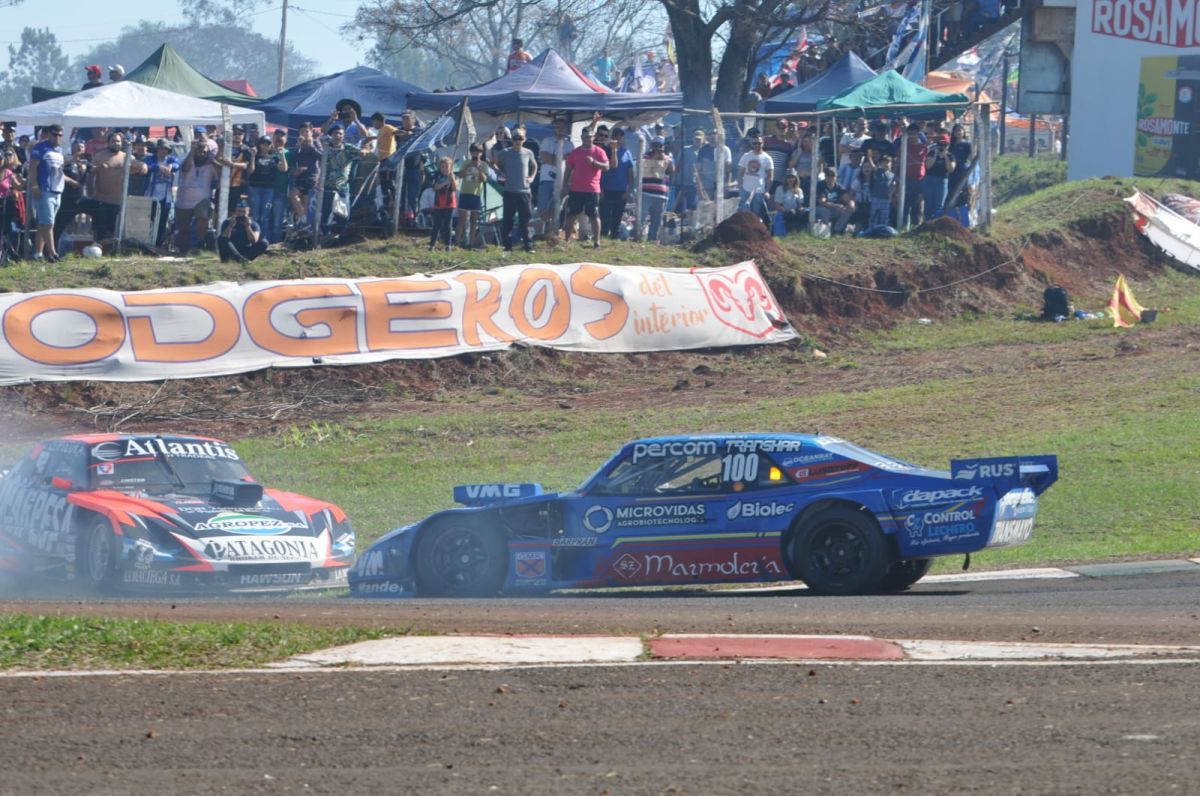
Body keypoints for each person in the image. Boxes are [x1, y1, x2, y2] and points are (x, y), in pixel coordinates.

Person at [88, 131, 147, 241]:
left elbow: (140, 164)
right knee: (99, 230)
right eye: (114, 141)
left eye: (118, 141)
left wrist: (143, 166)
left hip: (117, 201)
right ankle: (97, 247)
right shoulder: (100, 156)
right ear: (108, 142)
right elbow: (91, 172)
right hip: (101, 199)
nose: (116, 144)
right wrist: (99, 168)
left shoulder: (126, 157)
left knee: (113, 230)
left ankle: (112, 250)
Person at [30, 125, 72, 261]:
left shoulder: (59, 151)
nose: (58, 138)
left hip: (57, 191)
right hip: (44, 190)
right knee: (48, 224)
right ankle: (53, 253)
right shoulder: (39, 148)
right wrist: (35, 186)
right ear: (48, 134)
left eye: (60, 135)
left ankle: (38, 253)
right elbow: (32, 167)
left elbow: (59, 172)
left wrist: (73, 182)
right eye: (55, 134)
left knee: (43, 224)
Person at [561, 127, 608, 248]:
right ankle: (567, 240)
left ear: (594, 138)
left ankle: (597, 242)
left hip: (592, 189)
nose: (588, 139)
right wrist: (565, 184)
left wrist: (594, 163)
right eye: (586, 137)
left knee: (594, 215)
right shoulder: (575, 152)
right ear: (582, 138)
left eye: (590, 137)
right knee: (571, 215)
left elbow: (607, 167)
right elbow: (568, 168)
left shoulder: (599, 151)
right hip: (576, 189)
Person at [493, 125, 537, 253]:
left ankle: (528, 246)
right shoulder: (505, 152)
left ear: (524, 139)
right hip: (510, 191)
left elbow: (534, 166)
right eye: (515, 138)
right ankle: (507, 246)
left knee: (526, 220)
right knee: (508, 220)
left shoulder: (528, 152)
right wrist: (500, 173)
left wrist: (532, 177)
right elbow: (492, 162)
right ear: (512, 139)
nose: (518, 141)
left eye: (520, 138)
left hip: (524, 191)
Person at [175, 138, 219, 253]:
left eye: (204, 152)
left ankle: (200, 244)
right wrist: (192, 151)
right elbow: (185, 168)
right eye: (200, 152)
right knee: (183, 228)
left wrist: (213, 159)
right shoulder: (188, 160)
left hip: (202, 200)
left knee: (203, 218)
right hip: (184, 200)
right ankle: (182, 250)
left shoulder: (211, 165)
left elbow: (221, 175)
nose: (202, 154)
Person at [320, 123, 361, 232]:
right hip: (328, 186)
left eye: (340, 133)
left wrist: (365, 150)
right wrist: (332, 119)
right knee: (326, 213)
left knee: (343, 214)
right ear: (331, 135)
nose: (337, 136)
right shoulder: (325, 148)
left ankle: (340, 237)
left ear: (343, 136)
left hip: (343, 186)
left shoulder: (348, 148)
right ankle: (324, 237)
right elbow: (321, 134)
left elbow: (362, 153)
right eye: (335, 133)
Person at [247, 135, 286, 241]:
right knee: (255, 215)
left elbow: (283, 169)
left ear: (270, 145)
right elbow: (250, 171)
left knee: (265, 215)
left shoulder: (274, 157)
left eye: (267, 144)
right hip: (255, 187)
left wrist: (282, 155)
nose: (265, 146)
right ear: (259, 144)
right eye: (263, 143)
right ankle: (254, 238)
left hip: (269, 189)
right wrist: (253, 157)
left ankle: (263, 239)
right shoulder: (256, 156)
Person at [597, 126, 633, 239]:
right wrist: (600, 189)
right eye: (615, 135)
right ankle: (603, 235)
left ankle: (613, 236)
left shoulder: (627, 152)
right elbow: (598, 171)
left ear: (622, 138)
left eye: (619, 135)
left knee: (617, 216)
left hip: (621, 190)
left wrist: (629, 190)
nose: (617, 137)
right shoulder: (604, 150)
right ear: (611, 136)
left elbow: (631, 174)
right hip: (606, 188)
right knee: (605, 215)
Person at [143, 139, 179, 247]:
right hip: (151, 195)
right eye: (161, 148)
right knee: (150, 221)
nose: (163, 151)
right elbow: (148, 166)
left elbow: (177, 165)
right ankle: (147, 242)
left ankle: (158, 244)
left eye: (165, 149)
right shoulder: (150, 159)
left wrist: (171, 167)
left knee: (162, 222)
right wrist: (159, 167)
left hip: (165, 197)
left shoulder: (170, 160)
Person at [456, 143, 492, 248]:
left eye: (478, 152)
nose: (476, 154)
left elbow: (484, 179)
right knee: (462, 218)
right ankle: (457, 242)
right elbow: (461, 176)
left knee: (473, 219)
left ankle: (471, 243)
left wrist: (478, 168)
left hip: (475, 194)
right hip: (464, 192)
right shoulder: (466, 162)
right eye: (474, 152)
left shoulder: (484, 165)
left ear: (481, 153)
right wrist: (469, 166)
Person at [538, 117, 574, 221]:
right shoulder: (547, 141)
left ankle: (552, 231)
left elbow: (571, 162)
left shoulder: (570, 144)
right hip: (547, 179)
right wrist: (562, 159)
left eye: (562, 127)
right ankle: (541, 230)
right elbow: (544, 157)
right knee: (544, 205)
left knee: (557, 208)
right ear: (554, 128)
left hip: (563, 180)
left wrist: (554, 159)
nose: (560, 129)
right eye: (557, 127)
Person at [640, 136, 673, 243]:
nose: (657, 148)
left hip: (661, 193)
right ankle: (639, 237)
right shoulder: (645, 156)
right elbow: (645, 168)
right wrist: (654, 157)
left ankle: (652, 239)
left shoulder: (667, 158)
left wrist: (664, 158)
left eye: (659, 146)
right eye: (655, 145)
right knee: (642, 217)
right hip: (646, 192)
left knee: (657, 220)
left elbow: (672, 171)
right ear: (651, 146)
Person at [288, 122, 321, 229]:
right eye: (302, 131)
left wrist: (311, 145)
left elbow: (321, 156)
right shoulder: (299, 144)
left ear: (311, 132)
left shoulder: (315, 143)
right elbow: (294, 159)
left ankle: (303, 218)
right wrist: (298, 146)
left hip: (311, 176)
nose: (304, 134)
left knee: (293, 194)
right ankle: (305, 225)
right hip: (300, 176)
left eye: (307, 131)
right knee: (304, 202)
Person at [671, 129, 705, 228]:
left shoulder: (703, 152)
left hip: (694, 185)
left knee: (692, 207)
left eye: (699, 139)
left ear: (703, 140)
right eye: (696, 139)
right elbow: (678, 165)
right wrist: (674, 178)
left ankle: (690, 227)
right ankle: (674, 226)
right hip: (681, 182)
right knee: (678, 207)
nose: (697, 141)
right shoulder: (685, 150)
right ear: (692, 139)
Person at [217, 198, 269, 263]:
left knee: (264, 242)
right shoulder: (227, 222)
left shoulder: (253, 224)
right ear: (235, 212)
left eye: (244, 212)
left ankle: (242, 260)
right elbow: (224, 238)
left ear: (248, 212)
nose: (241, 214)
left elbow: (254, 241)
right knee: (221, 238)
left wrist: (248, 226)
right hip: (230, 251)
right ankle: (240, 260)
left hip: (245, 252)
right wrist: (231, 226)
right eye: (239, 211)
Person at [737, 130, 773, 220]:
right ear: (752, 144)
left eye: (759, 143)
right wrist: (740, 187)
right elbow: (740, 173)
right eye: (755, 143)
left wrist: (767, 191)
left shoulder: (767, 158)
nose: (757, 145)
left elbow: (770, 177)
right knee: (744, 215)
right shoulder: (746, 156)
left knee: (755, 215)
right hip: (745, 189)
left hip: (759, 191)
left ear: (763, 143)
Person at [370, 112, 398, 221]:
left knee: (388, 183)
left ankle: (391, 202)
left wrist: (407, 133)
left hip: (388, 160)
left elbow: (396, 132)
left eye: (373, 122)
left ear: (378, 121)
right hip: (382, 160)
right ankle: (385, 206)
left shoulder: (387, 127)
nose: (373, 124)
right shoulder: (381, 131)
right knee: (383, 184)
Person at [922, 132, 956, 220]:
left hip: (941, 181)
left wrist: (945, 156)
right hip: (929, 180)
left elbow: (951, 169)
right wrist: (935, 155)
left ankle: (936, 223)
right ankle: (927, 223)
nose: (942, 146)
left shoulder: (950, 156)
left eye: (945, 144)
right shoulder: (931, 153)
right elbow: (928, 166)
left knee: (938, 205)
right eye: (940, 144)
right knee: (928, 203)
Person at [900, 122, 927, 227]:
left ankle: (915, 227)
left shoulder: (923, 148)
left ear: (918, 134)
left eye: (914, 133)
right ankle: (902, 227)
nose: (912, 136)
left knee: (917, 205)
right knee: (905, 205)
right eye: (910, 133)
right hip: (906, 179)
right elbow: (897, 162)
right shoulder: (903, 146)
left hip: (920, 180)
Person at [428, 156, 457, 251]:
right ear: (440, 167)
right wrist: (445, 183)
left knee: (448, 225)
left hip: (449, 203)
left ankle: (448, 245)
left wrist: (452, 180)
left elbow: (455, 188)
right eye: (443, 167)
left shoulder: (453, 175)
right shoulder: (436, 175)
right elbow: (435, 187)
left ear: (450, 167)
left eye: (447, 167)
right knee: (437, 225)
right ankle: (432, 245)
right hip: (439, 203)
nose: (445, 169)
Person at [815, 167, 855, 234]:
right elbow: (822, 202)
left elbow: (847, 199)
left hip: (834, 209)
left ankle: (836, 230)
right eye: (828, 175)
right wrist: (836, 206)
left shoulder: (839, 187)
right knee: (825, 211)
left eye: (832, 175)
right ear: (825, 176)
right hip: (819, 209)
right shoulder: (820, 185)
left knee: (848, 209)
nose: (830, 177)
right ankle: (825, 231)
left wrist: (851, 204)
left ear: (836, 177)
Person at [697, 128, 733, 201]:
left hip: (721, 183)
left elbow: (728, 169)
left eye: (715, 133)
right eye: (710, 134)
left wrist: (727, 184)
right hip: (707, 184)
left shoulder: (725, 149)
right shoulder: (703, 150)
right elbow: (698, 169)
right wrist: (699, 185)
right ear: (707, 137)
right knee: (706, 205)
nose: (712, 136)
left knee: (720, 206)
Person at [866, 154, 896, 228]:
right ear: (880, 164)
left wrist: (891, 193)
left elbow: (893, 185)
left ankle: (883, 229)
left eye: (888, 162)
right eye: (883, 162)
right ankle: (871, 228)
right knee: (874, 214)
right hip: (876, 197)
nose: (886, 164)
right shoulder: (878, 171)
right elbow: (873, 166)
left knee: (884, 215)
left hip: (886, 198)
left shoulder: (892, 175)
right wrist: (869, 157)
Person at [773, 168, 805, 233]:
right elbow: (777, 206)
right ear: (786, 179)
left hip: (796, 211)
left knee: (802, 212)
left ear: (796, 178)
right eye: (789, 177)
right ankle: (791, 231)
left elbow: (800, 205)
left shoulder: (799, 190)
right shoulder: (780, 189)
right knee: (791, 212)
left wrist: (801, 208)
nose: (791, 179)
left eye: (793, 177)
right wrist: (786, 210)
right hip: (784, 211)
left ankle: (800, 231)